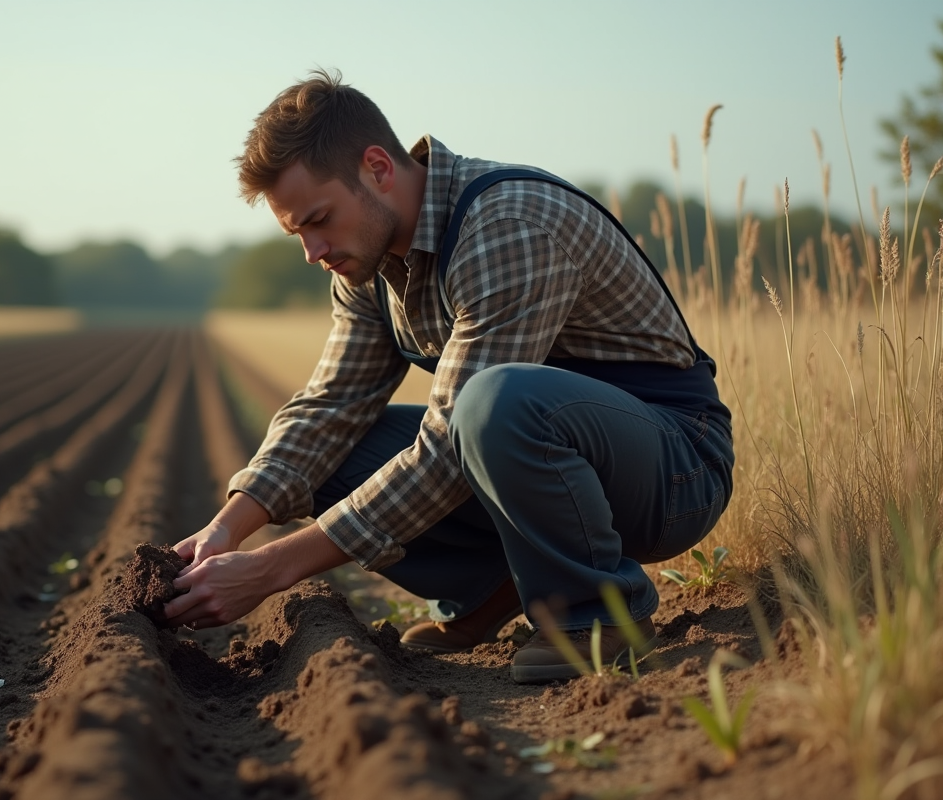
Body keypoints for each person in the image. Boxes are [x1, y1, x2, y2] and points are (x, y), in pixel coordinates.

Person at [162, 69, 734, 683]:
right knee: (341, 447)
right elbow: (330, 408)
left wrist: (272, 568)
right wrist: (227, 529)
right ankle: (496, 586)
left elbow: (445, 446)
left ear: (378, 168)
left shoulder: (505, 225)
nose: (313, 250)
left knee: (495, 401)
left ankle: (599, 617)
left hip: (673, 469)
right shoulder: (369, 261)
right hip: (558, 458)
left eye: (319, 218)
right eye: (297, 230)